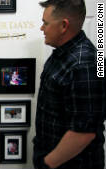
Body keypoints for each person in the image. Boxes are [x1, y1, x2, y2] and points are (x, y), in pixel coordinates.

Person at [33, 0, 105, 169]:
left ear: (63, 26)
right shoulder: (61, 53)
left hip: (71, 164)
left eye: (45, 23)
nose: (42, 28)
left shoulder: (85, 63)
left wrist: (47, 163)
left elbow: (84, 132)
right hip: (53, 157)